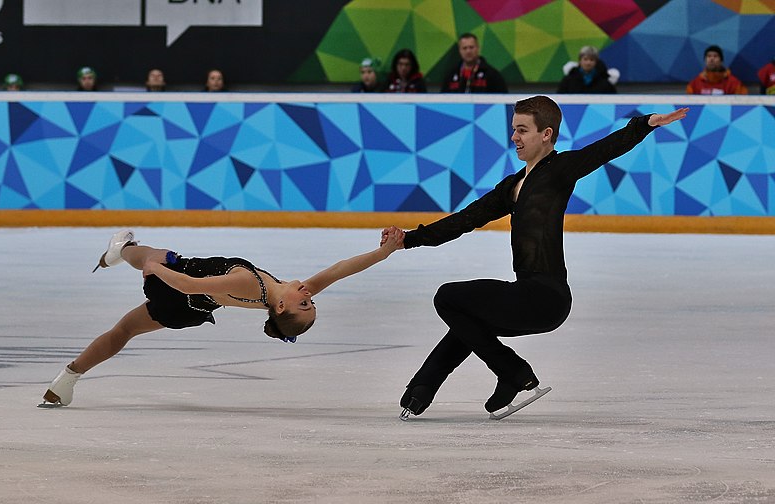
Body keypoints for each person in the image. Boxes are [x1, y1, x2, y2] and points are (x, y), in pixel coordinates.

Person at [387, 96, 688, 420]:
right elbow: (466, 219)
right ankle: (421, 391)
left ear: (546, 134)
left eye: (522, 130)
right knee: (468, 320)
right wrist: (410, 239)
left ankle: (514, 371)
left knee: (447, 297)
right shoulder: (513, 186)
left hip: (546, 296)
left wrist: (643, 124)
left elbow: (603, 150)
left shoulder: (559, 170)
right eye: (514, 129)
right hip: (527, 295)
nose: (514, 137)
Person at [39, 228, 405, 407]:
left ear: (282, 309)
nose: (309, 295)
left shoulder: (249, 282)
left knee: (157, 255)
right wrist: (385, 252)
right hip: (191, 311)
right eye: (311, 301)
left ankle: (120, 252)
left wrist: (154, 268)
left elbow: (187, 282)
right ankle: (64, 382)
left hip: (177, 286)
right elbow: (341, 270)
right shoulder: (279, 292)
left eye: (305, 304)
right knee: (124, 331)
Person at [441, 33, 507, 93]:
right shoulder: (451, 75)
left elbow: (503, 100)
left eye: (471, 47)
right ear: (460, 50)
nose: (468, 51)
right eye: (464, 48)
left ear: (478, 48)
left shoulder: (492, 75)